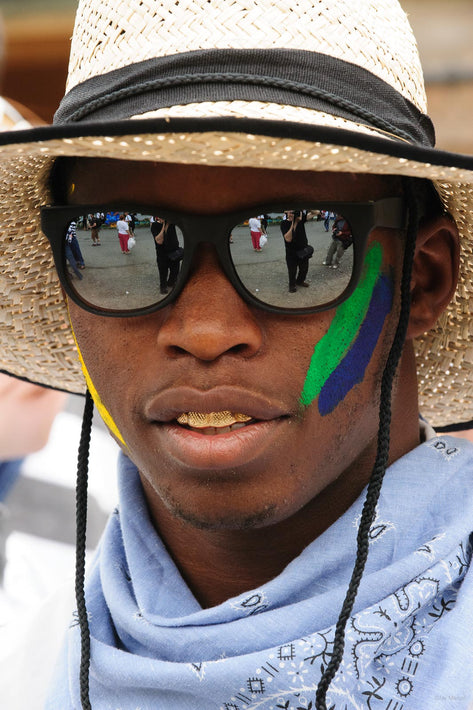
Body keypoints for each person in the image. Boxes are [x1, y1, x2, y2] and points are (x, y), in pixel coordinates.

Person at [0, 1, 473, 709]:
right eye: (115, 242)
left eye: (295, 244)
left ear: (422, 278)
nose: (205, 329)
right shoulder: (31, 665)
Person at [280, 209, 313, 291]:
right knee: (292, 271)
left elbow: (316, 213)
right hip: (291, 252)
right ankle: (292, 285)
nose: (291, 214)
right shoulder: (284, 223)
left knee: (304, 269)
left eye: (293, 212)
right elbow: (288, 239)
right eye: (290, 212)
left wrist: (304, 207)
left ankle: (300, 281)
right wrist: (295, 222)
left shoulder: (300, 219)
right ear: (286, 212)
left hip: (303, 251)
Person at [151, 216, 182, 294]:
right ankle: (163, 286)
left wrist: (168, 223)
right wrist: (164, 225)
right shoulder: (155, 225)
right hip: (162, 254)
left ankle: (171, 283)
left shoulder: (172, 224)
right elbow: (159, 241)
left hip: (174, 252)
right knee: (163, 273)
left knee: (175, 272)